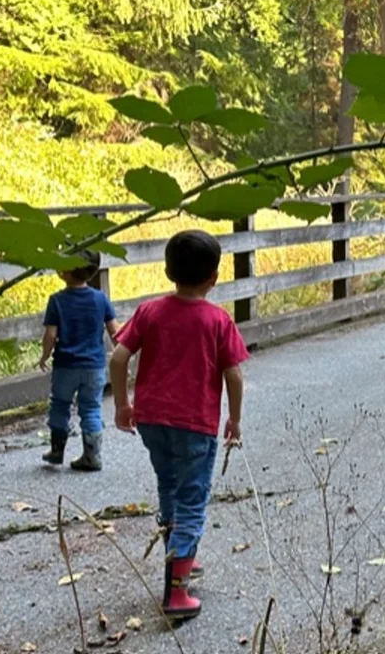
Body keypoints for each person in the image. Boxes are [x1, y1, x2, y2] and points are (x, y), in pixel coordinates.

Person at [110, 229, 247, 621]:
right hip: (195, 424)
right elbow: (233, 375)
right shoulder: (218, 320)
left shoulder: (149, 311)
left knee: (169, 486)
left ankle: (181, 556)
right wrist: (234, 419)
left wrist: (122, 405)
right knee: (192, 499)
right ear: (213, 277)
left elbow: (118, 357)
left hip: (152, 421)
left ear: (168, 271)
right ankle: (176, 591)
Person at [39, 251, 119, 471]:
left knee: (60, 405)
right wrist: (121, 355)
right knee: (91, 408)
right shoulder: (101, 299)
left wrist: (44, 355)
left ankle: (57, 451)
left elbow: (50, 335)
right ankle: (92, 456)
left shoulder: (57, 301)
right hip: (94, 367)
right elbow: (115, 332)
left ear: (65, 270)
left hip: (66, 365)